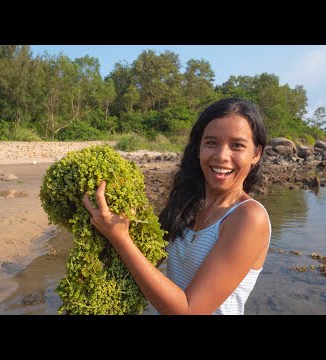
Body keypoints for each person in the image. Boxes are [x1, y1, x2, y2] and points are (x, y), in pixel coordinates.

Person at [82, 98, 271, 315]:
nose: (221, 156)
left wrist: (119, 237)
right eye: (211, 142)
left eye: (237, 145)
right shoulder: (186, 202)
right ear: (198, 148)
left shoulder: (249, 217)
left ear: (256, 154)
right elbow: (146, 260)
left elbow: (189, 311)